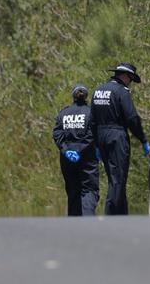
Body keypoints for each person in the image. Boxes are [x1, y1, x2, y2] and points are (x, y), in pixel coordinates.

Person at [90, 62, 150, 215]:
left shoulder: (98, 91)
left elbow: (92, 120)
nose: (130, 83)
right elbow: (132, 118)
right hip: (117, 136)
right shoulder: (121, 91)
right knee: (118, 178)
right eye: (130, 79)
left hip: (101, 136)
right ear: (126, 76)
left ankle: (122, 214)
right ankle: (112, 214)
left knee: (113, 177)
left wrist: (96, 144)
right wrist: (142, 139)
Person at [52, 84, 99, 216]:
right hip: (87, 158)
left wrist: (67, 150)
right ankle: (88, 219)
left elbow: (57, 134)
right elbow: (92, 135)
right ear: (86, 97)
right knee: (89, 189)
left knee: (72, 190)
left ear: (73, 97)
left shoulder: (63, 113)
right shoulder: (91, 113)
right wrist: (78, 150)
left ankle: (73, 223)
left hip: (67, 159)